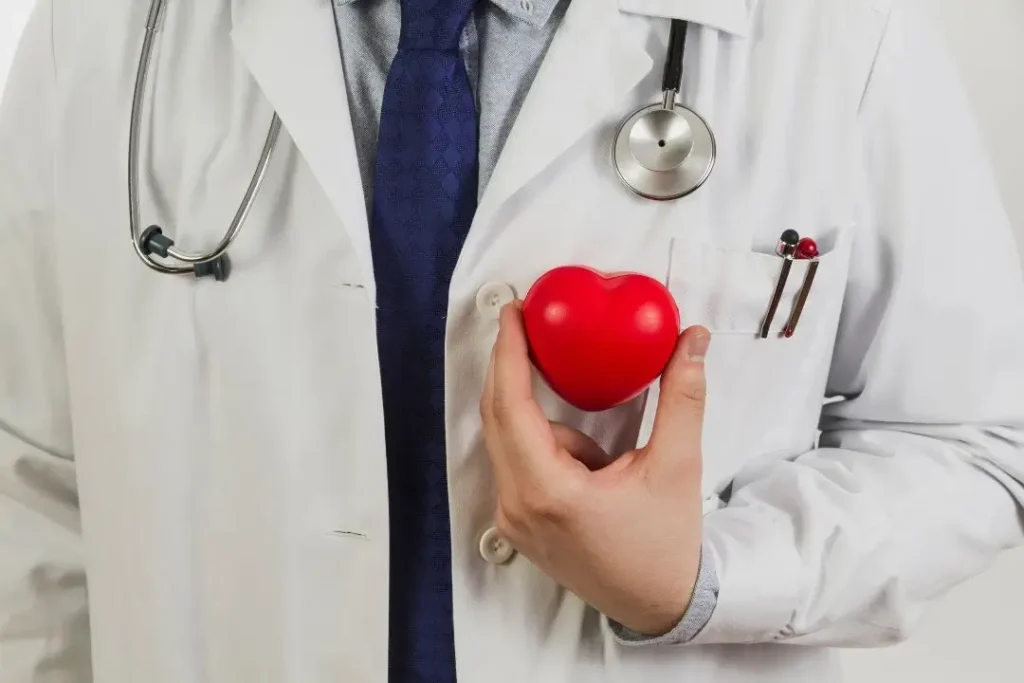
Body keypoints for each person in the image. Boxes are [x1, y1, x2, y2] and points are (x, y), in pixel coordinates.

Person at [1, 0, 1023, 681]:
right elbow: (31, 482)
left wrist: (702, 574)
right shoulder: (106, 31)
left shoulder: (833, 32)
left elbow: (974, 437)